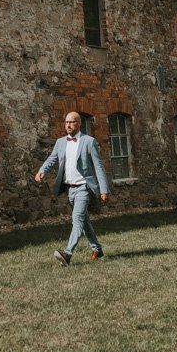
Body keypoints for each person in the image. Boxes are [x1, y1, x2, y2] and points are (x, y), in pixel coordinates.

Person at [35, 111, 111, 266]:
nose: (68, 125)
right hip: (69, 189)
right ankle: (97, 250)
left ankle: (67, 254)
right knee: (84, 221)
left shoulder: (89, 142)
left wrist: (104, 189)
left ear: (79, 124)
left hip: (84, 188)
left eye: (72, 122)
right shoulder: (60, 142)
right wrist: (42, 170)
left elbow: (98, 166)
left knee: (77, 219)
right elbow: (52, 159)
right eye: (66, 122)